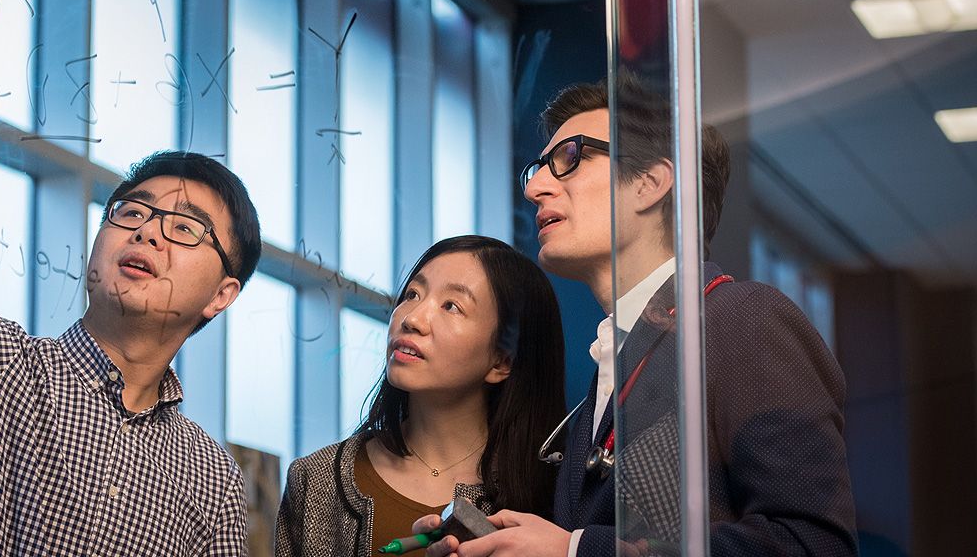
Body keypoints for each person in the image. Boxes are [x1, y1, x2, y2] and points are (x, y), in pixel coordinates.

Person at [0, 0, 261, 555]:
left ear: (222, 294)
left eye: (185, 228)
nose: (148, 232)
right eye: (133, 212)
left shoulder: (212, 478)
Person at [418, 77, 856, 557]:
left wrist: (577, 551)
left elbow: (815, 544)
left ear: (650, 184)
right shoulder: (611, 371)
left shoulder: (743, 318)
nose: (536, 188)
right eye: (538, 169)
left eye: (569, 158)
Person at [277, 236, 566, 557]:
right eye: (412, 294)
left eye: (451, 306)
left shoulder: (555, 492)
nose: (411, 319)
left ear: (502, 361)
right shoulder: (316, 477)